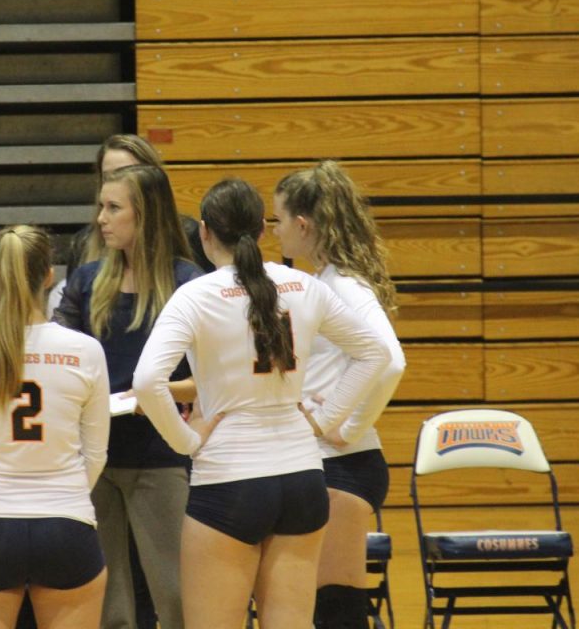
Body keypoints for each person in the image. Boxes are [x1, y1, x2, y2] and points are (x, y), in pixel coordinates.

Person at [131, 178, 392, 629]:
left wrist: (187, 443)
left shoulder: (196, 296)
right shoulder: (303, 286)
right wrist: (323, 421)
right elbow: (377, 354)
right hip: (302, 478)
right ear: (262, 231)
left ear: (206, 233)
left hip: (229, 480)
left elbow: (147, 380)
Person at [0, 225, 111, 629]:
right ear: (49, 276)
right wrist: (63, 496)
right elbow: (96, 453)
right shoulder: (85, 350)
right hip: (67, 527)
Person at [53, 164, 201, 629]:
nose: (101, 218)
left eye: (113, 208)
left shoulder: (188, 283)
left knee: (176, 598)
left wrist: (153, 394)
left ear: (147, 214)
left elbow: (215, 378)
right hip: (95, 459)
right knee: (107, 605)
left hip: (160, 458)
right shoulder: (87, 280)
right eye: (101, 206)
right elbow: (56, 362)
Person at [273, 162, 407, 629]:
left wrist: (341, 424)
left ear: (303, 225)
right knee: (322, 608)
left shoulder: (343, 286)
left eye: (280, 220)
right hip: (328, 462)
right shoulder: (326, 282)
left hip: (343, 466)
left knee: (339, 611)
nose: (276, 231)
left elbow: (390, 360)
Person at [77, 134, 212, 274]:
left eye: (127, 172)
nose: (115, 182)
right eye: (107, 177)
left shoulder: (190, 234)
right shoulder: (84, 242)